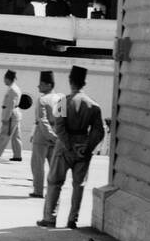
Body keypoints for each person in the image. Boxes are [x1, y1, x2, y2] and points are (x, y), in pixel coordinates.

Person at [38, 65, 106, 229]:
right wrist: (87, 148)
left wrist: (67, 145)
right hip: (83, 144)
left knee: (55, 182)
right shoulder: (94, 105)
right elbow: (99, 132)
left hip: (64, 146)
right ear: (85, 83)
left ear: (70, 81)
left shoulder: (62, 101)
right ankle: (72, 219)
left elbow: (59, 127)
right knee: (79, 185)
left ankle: (50, 218)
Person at [29, 70, 64, 199]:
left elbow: (42, 120)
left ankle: (38, 191)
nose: (38, 86)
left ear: (49, 85)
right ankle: (54, 191)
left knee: (38, 165)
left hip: (42, 137)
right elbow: (62, 121)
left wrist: (50, 135)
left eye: (41, 84)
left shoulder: (42, 99)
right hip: (56, 136)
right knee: (54, 167)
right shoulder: (61, 98)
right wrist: (58, 137)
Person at [0, 69, 23, 161]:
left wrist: (5, 118)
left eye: (4, 79)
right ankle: (17, 156)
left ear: (8, 79)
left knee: (4, 133)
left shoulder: (12, 90)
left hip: (11, 115)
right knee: (16, 136)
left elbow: (10, 105)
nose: (4, 81)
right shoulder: (15, 88)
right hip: (16, 113)